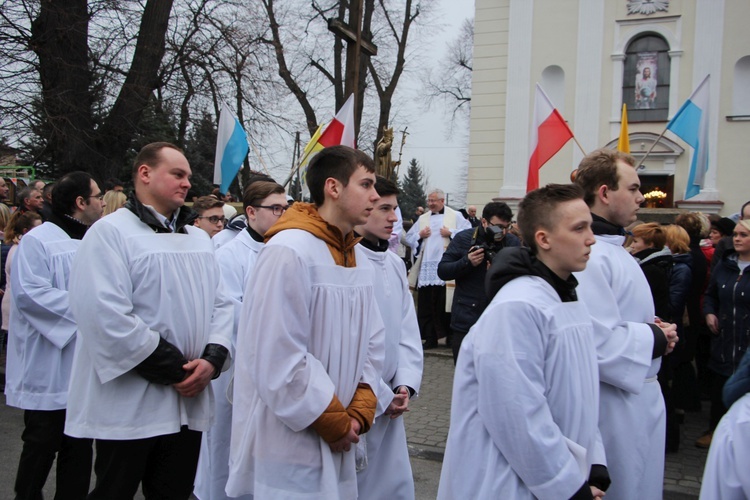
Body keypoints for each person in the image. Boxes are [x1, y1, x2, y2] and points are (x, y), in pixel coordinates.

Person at [64, 142, 233, 499]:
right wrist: (177, 369)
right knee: (115, 490)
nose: (187, 183)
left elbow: (222, 304)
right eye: (177, 174)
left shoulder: (199, 239)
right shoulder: (111, 233)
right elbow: (103, 313)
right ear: (145, 174)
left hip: (188, 400)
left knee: (173, 491)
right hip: (130, 401)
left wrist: (213, 358)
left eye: (188, 176)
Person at [226, 145, 385, 499]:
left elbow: (373, 341)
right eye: (366, 184)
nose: (375, 196)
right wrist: (333, 421)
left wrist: (360, 409)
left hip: (343, 429)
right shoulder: (290, 249)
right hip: (292, 435)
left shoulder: (356, 253)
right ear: (333, 187)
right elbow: (278, 354)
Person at [438, 184, 608, 499]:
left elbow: (579, 392)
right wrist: (567, 486)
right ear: (543, 239)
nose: (592, 238)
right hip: (511, 481)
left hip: (564, 465)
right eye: (579, 228)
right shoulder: (518, 306)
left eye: (590, 227)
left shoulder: (565, 297)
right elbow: (516, 414)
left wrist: (594, 459)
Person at [572, 148, 677, 500]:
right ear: (604, 193)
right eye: (632, 188)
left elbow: (618, 319)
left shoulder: (616, 249)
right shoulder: (591, 255)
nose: (641, 196)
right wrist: (655, 337)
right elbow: (593, 341)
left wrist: (651, 326)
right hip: (614, 405)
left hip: (639, 396)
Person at [6, 171, 105, 499]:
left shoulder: (93, 239)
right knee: (40, 444)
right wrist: (90, 312)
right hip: (49, 361)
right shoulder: (39, 240)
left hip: (84, 363)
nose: (103, 202)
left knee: (78, 447)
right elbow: (31, 295)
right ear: (80, 203)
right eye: (98, 196)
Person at [194, 180, 287, 500]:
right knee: (226, 442)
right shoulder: (228, 254)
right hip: (235, 371)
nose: (283, 214)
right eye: (275, 208)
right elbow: (228, 313)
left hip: (274, 370)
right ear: (250, 212)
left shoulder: (286, 251)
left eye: (286, 208)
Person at [353, 176, 423, 500]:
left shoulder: (395, 264)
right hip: (358, 401)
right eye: (385, 208)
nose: (394, 217)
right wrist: (380, 394)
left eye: (395, 208)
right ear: (363, 206)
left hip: (392, 400)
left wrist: (404, 384)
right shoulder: (347, 262)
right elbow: (351, 343)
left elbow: (408, 330)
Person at [437, 201, 521, 363]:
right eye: (497, 227)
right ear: (484, 222)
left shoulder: (512, 243)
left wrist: (499, 273)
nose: (502, 232)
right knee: (465, 378)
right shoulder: (464, 238)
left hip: (500, 321)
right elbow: (443, 271)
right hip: (467, 319)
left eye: (506, 227)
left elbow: (521, 280)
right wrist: (467, 262)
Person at [698, 218, 750, 449]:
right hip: (724, 338)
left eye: (744, 235)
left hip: (746, 341)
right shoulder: (725, 265)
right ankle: (715, 430)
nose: (737, 239)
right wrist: (709, 313)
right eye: (736, 234)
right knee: (720, 386)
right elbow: (710, 294)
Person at [403, 188, 470, 349]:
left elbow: (468, 233)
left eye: (434, 201)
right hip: (427, 266)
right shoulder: (423, 218)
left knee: (445, 304)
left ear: (442, 201)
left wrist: (451, 232)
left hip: (446, 266)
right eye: (429, 201)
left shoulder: (455, 216)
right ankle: (430, 337)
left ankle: (449, 337)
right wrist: (420, 234)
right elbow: (409, 238)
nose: (431, 204)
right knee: (426, 304)